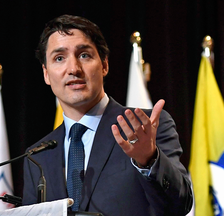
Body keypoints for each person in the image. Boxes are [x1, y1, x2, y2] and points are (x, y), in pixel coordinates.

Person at [23, 14, 193, 216]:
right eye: (59, 58)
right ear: (46, 73)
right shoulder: (37, 156)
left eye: (84, 55)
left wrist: (149, 159)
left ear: (104, 65)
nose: (73, 69)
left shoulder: (144, 127)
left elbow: (179, 205)